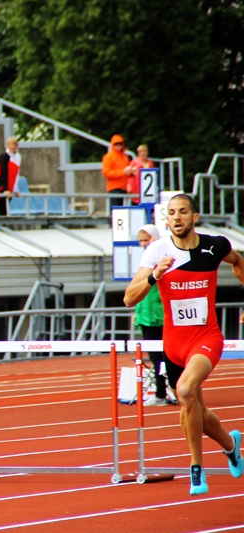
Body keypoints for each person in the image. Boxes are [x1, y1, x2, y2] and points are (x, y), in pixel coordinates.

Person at [123, 193, 244, 496]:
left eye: (182, 212)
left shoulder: (215, 246)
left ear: (194, 216)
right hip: (173, 343)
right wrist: (154, 276)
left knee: (186, 390)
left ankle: (196, 467)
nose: (176, 217)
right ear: (166, 219)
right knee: (197, 414)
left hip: (206, 338)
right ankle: (231, 446)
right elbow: (128, 298)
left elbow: (238, 261)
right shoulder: (157, 250)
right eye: (171, 213)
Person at [132, 224, 171, 407]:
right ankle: (163, 392)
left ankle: (162, 393)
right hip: (146, 313)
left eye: (145, 240)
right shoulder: (145, 260)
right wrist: (137, 311)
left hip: (159, 313)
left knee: (163, 356)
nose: (142, 244)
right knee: (156, 356)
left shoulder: (160, 257)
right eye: (140, 241)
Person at [0, 136, 20, 227]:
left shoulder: (17, 157)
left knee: (4, 213)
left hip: (9, 189)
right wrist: (5, 188)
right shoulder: (4, 156)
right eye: (10, 145)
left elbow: (16, 175)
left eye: (14, 145)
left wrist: (15, 189)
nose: (12, 147)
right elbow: (3, 173)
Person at [102, 134, 134, 208]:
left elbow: (127, 171)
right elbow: (106, 173)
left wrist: (132, 172)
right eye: (116, 144)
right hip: (114, 188)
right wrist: (122, 172)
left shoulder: (125, 157)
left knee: (125, 212)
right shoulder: (108, 157)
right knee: (116, 212)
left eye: (120, 143)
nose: (118, 145)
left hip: (125, 188)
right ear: (112, 145)